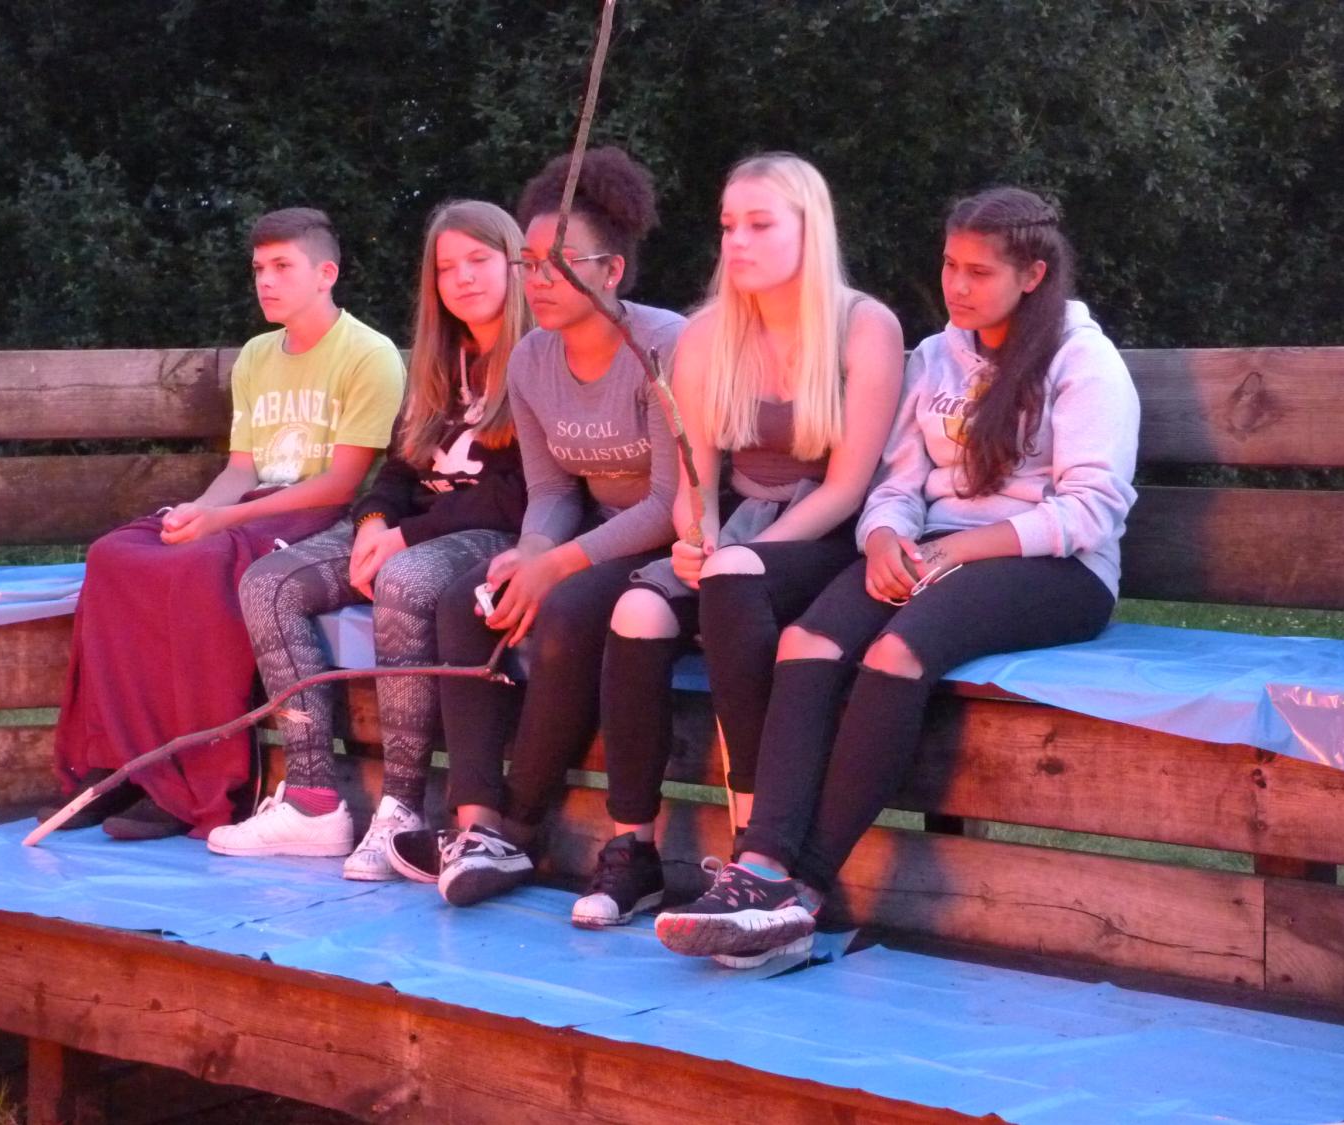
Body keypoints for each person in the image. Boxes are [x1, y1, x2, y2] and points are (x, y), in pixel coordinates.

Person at [654, 186, 1140, 964]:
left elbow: (1092, 509)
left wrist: (959, 552)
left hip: (1055, 567)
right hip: (930, 549)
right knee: (808, 643)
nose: (957, 286)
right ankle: (760, 867)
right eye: (950, 265)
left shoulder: (1084, 361)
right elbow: (897, 483)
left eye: (979, 272)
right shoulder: (936, 355)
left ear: (1033, 275)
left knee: (894, 653)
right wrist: (882, 537)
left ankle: (805, 890)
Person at [572, 153, 904, 929]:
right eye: (729, 226)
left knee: (732, 578)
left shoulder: (865, 327)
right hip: (739, 530)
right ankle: (633, 850)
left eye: (760, 225)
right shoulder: (707, 335)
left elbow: (848, 486)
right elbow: (697, 478)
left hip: (831, 536)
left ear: (809, 230)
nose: (738, 242)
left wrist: (741, 557)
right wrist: (697, 539)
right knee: (637, 612)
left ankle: (754, 841)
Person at [383, 147, 686, 906]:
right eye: (529, 264)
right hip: (587, 528)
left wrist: (556, 567)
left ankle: (519, 827)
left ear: (611, 272)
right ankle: (474, 822)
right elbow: (550, 490)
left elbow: (667, 501)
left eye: (560, 264)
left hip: (667, 538)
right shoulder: (530, 359)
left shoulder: (664, 347)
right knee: (469, 601)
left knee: (568, 611)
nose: (538, 281)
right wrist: (529, 554)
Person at [48, 208, 404, 840]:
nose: (265, 281)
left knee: (199, 570)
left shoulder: (368, 354)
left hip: (318, 514)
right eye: (259, 268)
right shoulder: (257, 356)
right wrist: (200, 512)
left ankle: (194, 783)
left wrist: (223, 523)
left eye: (282, 267)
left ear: (326, 274)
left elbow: (342, 483)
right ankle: (120, 763)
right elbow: (241, 468)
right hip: (252, 505)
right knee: (114, 556)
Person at [205, 200, 533, 876]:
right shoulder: (439, 360)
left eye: (479, 260)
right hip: (412, 528)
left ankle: (402, 809)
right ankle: (313, 801)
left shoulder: (535, 357)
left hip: (491, 533)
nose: (464, 277)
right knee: (268, 584)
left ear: (515, 265)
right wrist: (374, 522)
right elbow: (399, 470)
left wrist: (406, 535)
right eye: (447, 267)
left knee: (401, 580)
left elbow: (517, 493)